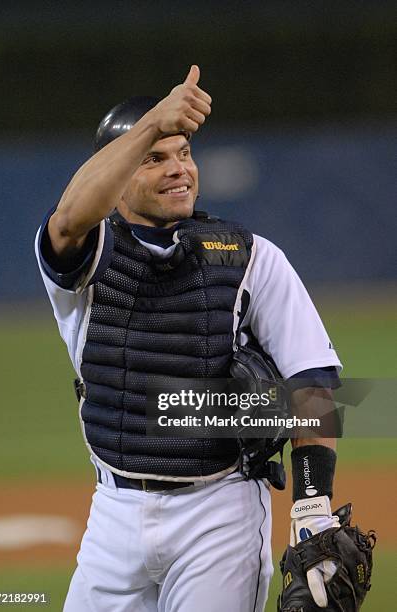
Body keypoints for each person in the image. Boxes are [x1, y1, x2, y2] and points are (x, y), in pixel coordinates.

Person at [35, 65, 344, 612]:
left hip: (218, 514)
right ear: (120, 167)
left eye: (184, 153)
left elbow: (312, 379)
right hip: (113, 514)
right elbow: (66, 221)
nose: (179, 169)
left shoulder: (251, 257)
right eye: (155, 157)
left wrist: (313, 507)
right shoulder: (85, 256)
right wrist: (153, 122)